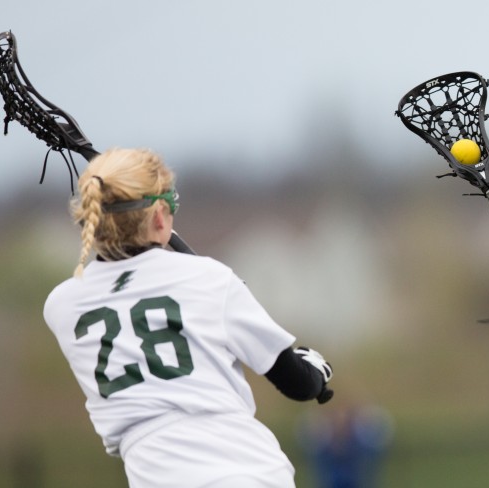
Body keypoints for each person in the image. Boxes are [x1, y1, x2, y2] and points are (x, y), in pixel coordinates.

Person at [43, 148, 335, 488]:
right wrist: (314, 367)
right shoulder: (210, 279)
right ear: (159, 216)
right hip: (247, 471)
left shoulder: (60, 305)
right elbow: (298, 384)